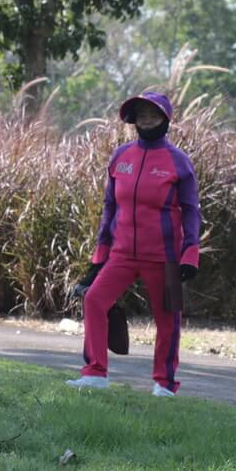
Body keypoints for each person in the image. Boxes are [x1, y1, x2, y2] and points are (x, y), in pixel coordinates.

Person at [68, 91, 201, 396]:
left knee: (169, 319)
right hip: (122, 254)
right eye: (142, 115)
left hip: (166, 257)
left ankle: (165, 384)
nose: (147, 120)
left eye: (153, 115)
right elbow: (109, 208)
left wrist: (190, 254)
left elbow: (192, 211)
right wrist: (99, 256)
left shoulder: (179, 162)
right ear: (133, 119)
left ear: (165, 119)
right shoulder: (121, 157)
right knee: (94, 300)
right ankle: (95, 374)